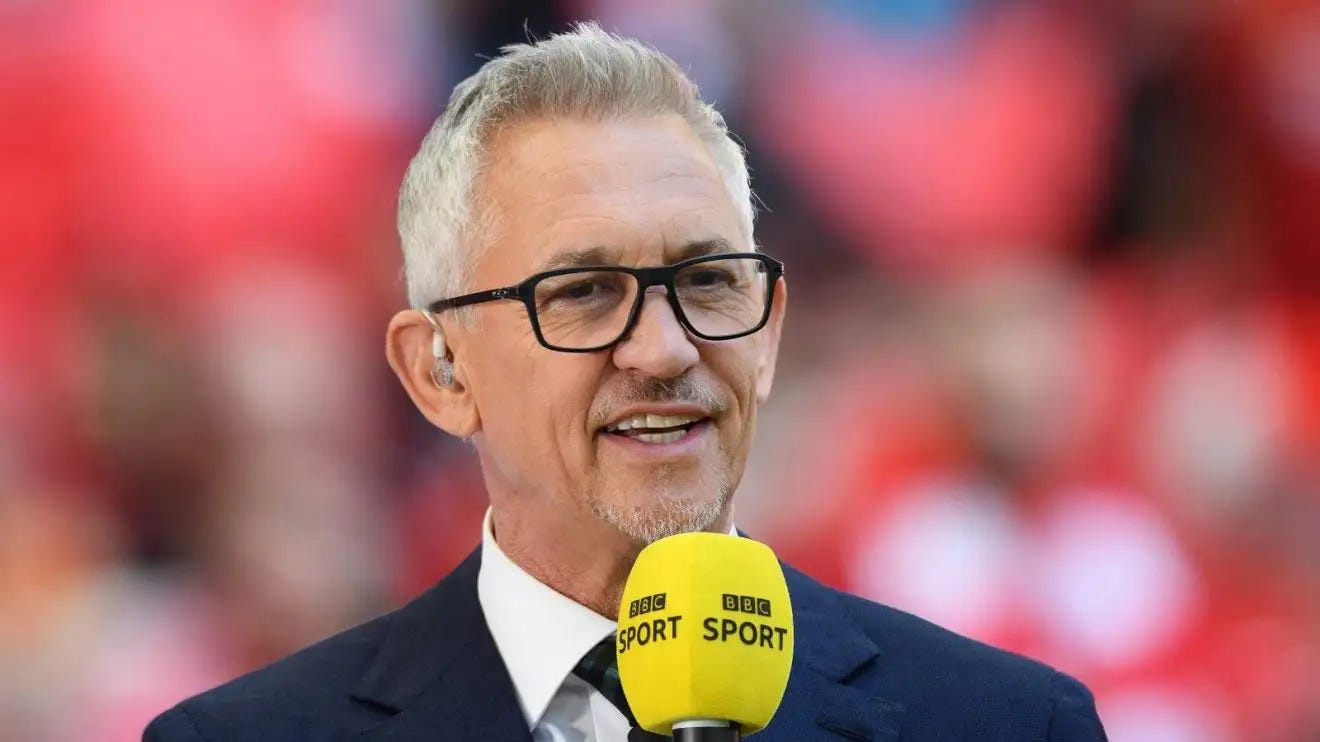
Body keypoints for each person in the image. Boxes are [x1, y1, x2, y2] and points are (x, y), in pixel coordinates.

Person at [144, 23, 1106, 741]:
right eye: (585, 293)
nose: (665, 349)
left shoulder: (1008, 726)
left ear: (768, 337)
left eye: (708, 281)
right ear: (440, 370)